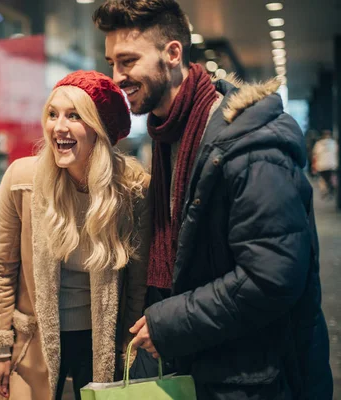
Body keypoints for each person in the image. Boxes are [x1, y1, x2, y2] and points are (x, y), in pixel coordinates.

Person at [94, 0, 333, 399]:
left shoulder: (249, 143)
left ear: (172, 53)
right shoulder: (169, 136)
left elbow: (271, 277)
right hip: (201, 366)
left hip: (255, 378)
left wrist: (169, 322)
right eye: (111, 62)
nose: (116, 76)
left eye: (127, 61)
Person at [0, 70, 151, 400]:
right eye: (52, 114)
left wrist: (130, 348)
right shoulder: (22, 180)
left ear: (99, 127)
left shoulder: (132, 188)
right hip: (33, 344)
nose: (58, 127)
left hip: (102, 340)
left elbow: (138, 279)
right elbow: (1, 268)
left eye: (74, 116)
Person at [312, 130, 338, 199]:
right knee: (332, 177)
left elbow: (315, 156)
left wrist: (314, 166)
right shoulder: (334, 143)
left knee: (322, 179)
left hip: (321, 165)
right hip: (332, 165)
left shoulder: (318, 144)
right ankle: (331, 190)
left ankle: (324, 191)